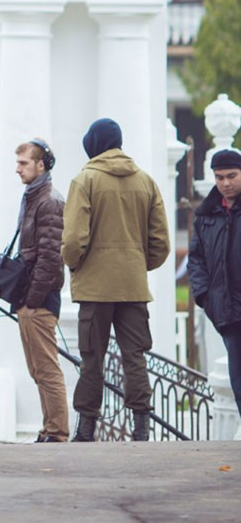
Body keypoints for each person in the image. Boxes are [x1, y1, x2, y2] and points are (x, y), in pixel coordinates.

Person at [62, 117, 171, 442]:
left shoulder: (85, 180)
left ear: (93, 144)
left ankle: (86, 430)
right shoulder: (146, 182)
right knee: (134, 356)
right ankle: (141, 428)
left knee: (92, 358)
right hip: (133, 287)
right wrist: (136, 264)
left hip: (95, 290)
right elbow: (162, 243)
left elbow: (72, 242)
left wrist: (77, 265)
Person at [12, 138, 68, 443]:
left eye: (23, 163)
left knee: (47, 369)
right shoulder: (33, 197)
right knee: (37, 369)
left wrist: (32, 301)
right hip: (28, 298)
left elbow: (50, 257)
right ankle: (49, 429)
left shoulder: (49, 201)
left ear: (41, 165)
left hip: (40, 300)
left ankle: (58, 433)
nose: (17, 169)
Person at [188, 146, 241, 418]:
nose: (225, 183)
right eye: (219, 177)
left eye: (231, 175)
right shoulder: (206, 214)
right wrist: (204, 297)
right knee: (238, 382)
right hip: (227, 312)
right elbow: (195, 259)